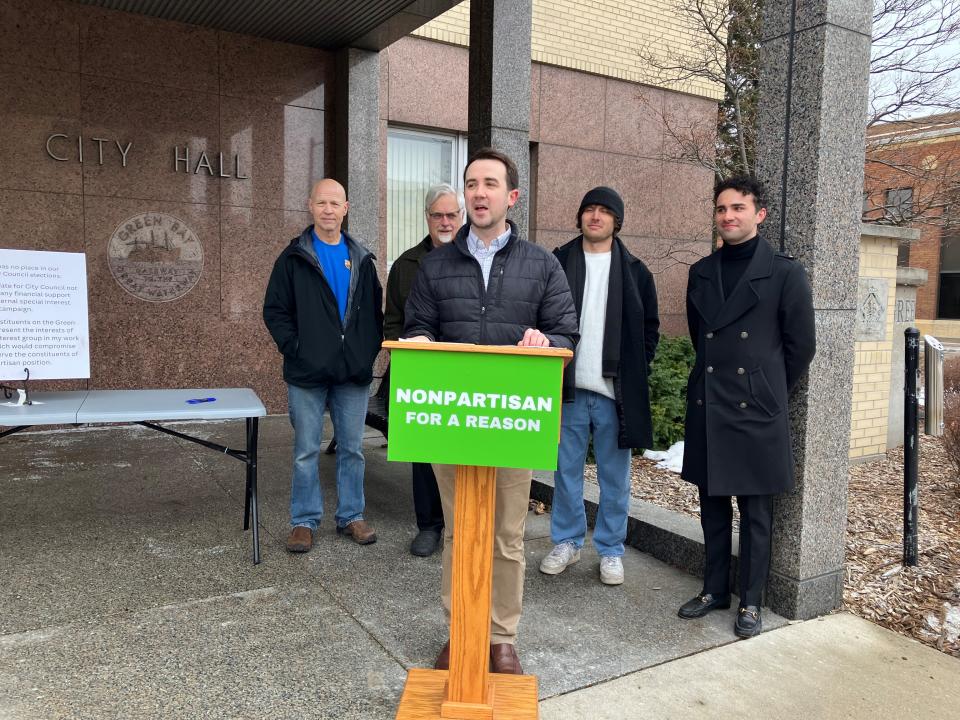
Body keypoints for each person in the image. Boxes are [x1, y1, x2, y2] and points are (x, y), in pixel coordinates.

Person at [403, 148, 579, 674]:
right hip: (452, 420)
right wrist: (419, 341)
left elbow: (566, 330)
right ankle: (462, 632)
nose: (479, 193)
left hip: (509, 421)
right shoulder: (435, 264)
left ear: (511, 196)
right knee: (459, 531)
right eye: (471, 184)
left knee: (505, 534)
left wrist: (544, 340)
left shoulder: (542, 264)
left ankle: (501, 637)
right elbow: (418, 327)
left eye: (490, 184)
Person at [678, 175, 815, 637]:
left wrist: (765, 387)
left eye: (737, 208)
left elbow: (801, 346)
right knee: (712, 505)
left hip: (756, 410)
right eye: (721, 209)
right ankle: (714, 589)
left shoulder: (784, 272)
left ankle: (751, 602)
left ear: (759, 214)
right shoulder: (702, 270)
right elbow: (702, 338)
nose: (728, 216)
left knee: (757, 513)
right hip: (710, 402)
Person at [541, 187, 659, 585]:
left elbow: (649, 330)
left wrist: (635, 367)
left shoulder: (636, 271)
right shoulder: (557, 262)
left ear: (616, 220)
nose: (595, 216)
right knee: (566, 472)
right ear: (580, 217)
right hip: (569, 387)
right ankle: (568, 542)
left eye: (604, 211)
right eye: (588, 209)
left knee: (615, 478)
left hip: (614, 393)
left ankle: (610, 550)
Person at [263, 178, 384, 553]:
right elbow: (275, 311)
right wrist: (296, 348)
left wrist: (366, 351)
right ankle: (304, 520)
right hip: (307, 373)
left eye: (335, 203)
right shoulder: (293, 257)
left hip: (353, 372)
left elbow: (374, 315)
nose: (328, 210)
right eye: (322, 203)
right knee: (305, 449)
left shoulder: (362, 259)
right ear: (310, 206)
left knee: (352, 448)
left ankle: (351, 515)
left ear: (346, 208)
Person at [384, 183, 465, 557]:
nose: (445, 222)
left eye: (452, 215)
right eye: (438, 215)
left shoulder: (477, 259)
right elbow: (392, 324)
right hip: (423, 375)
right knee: (424, 456)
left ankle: (462, 525)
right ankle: (430, 526)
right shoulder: (405, 266)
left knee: (467, 455)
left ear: (461, 218)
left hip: (469, 375)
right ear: (427, 218)